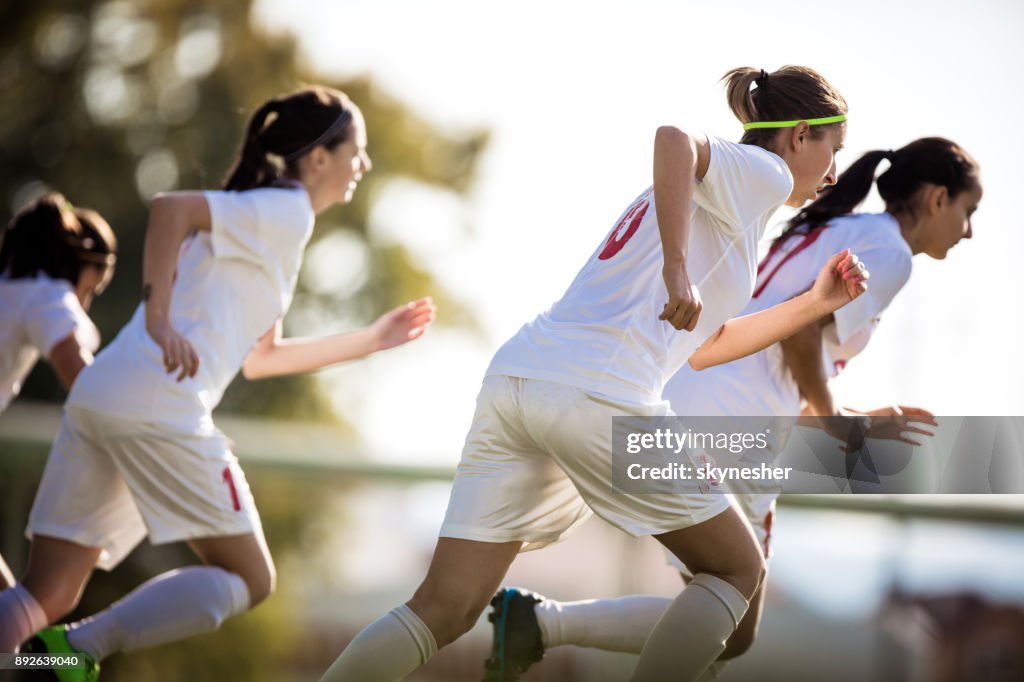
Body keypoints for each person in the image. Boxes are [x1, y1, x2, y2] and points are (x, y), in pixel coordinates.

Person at [320, 65, 865, 682]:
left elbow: (708, 345)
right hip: (598, 394)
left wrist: (815, 305)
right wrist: (677, 270)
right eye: (832, 150)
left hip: (520, 379)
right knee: (738, 571)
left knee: (441, 609)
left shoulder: (731, 202)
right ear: (798, 136)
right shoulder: (762, 172)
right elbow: (672, 137)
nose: (834, 174)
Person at [490, 136, 982, 680]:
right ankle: (539, 624)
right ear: (938, 198)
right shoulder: (889, 251)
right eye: (968, 211)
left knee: (727, 624)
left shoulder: (843, 229)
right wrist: (836, 424)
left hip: (699, 404)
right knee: (728, 608)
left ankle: (537, 624)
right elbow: (797, 341)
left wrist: (848, 413)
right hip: (734, 425)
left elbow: (784, 349)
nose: (969, 230)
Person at [0, 86, 436, 680]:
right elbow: (168, 208)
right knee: (252, 580)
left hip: (102, 396)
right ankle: (75, 650)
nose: (363, 165)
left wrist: (370, 339)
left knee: (39, 597)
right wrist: (157, 319)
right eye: (356, 151)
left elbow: (261, 358)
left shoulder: (271, 219)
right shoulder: (287, 212)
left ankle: (39, 660)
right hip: (157, 405)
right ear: (317, 160)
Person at [0, 194, 118, 592]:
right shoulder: (46, 297)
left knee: (10, 616)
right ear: (77, 265)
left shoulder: (10, 286)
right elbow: (87, 386)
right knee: (12, 624)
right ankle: (32, 656)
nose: (85, 302)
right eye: (92, 288)